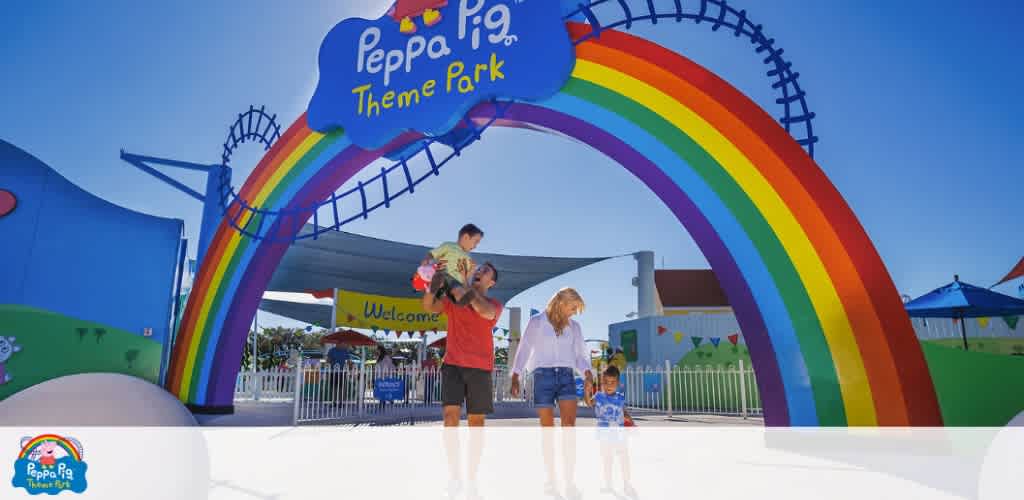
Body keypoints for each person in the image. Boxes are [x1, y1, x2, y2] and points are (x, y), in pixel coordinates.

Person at [421, 262, 503, 426]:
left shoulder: (495, 305)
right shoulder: (453, 301)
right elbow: (429, 305)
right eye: (478, 269)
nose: (478, 271)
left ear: (491, 283)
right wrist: (432, 283)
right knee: (450, 416)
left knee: (476, 420)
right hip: (452, 365)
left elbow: (483, 311)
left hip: (480, 368)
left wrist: (464, 283)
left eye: (484, 271)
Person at [509, 288, 594, 426]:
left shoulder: (575, 327)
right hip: (543, 377)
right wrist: (515, 376)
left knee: (569, 425)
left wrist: (588, 375)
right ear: (561, 303)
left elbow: (579, 355)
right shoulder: (536, 322)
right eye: (573, 308)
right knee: (547, 428)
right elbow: (525, 348)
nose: (574, 313)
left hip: (567, 376)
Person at [590, 365, 636, 497]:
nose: (609, 385)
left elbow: (623, 411)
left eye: (612, 382)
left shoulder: (620, 397)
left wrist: (631, 422)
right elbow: (589, 402)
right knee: (607, 459)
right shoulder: (598, 396)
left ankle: (626, 483)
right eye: (606, 382)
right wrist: (587, 391)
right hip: (604, 433)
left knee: (623, 458)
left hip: (620, 433)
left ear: (618, 383)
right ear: (602, 382)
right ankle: (608, 483)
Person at [414, 224, 484, 306]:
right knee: (436, 276)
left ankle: (461, 300)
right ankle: (433, 290)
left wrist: (471, 270)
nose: (475, 246)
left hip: (455, 281)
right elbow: (433, 253)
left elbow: (465, 278)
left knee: (459, 292)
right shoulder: (449, 246)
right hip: (443, 273)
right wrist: (427, 259)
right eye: (475, 242)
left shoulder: (469, 258)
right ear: (465, 237)